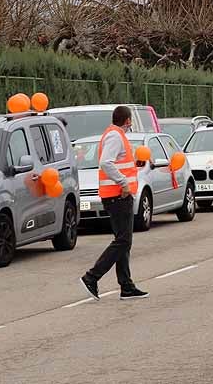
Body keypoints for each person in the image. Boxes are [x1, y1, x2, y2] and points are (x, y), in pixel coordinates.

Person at [81, 106, 148, 301]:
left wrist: (135, 166)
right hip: (117, 195)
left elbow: (118, 163)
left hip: (120, 195)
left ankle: (126, 287)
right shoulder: (114, 136)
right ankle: (91, 277)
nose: (131, 124)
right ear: (127, 121)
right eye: (130, 121)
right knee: (123, 241)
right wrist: (123, 182)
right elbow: (105, 163)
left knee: (123, 241)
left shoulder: (116, 135)